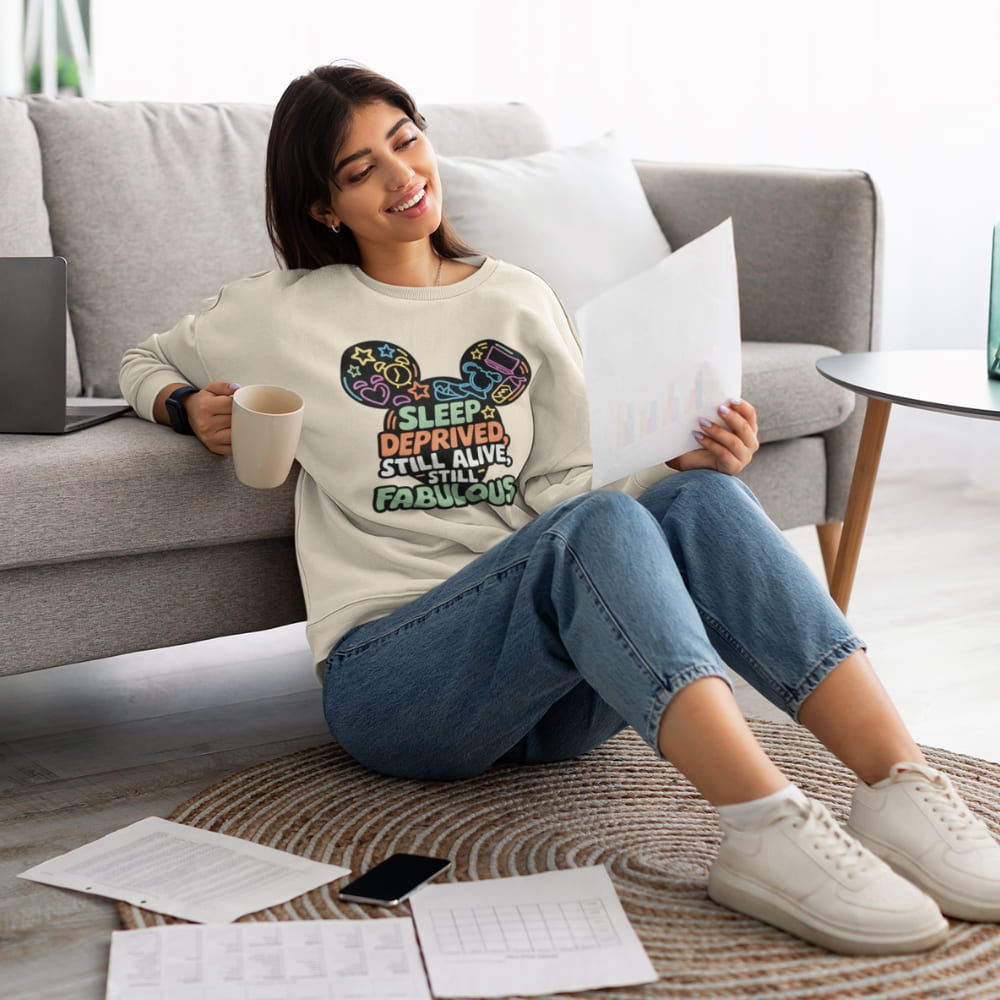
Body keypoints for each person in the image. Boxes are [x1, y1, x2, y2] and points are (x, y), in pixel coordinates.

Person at [119, 62, 1000, 955]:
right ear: (324, 208)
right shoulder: (281, 314)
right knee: (602, 528)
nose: (401, 175)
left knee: (698, 496)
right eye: (360, 170)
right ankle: (767, 830)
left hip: (559, 700)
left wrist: (679, 461)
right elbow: (144, 358)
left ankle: (901, 787)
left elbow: (572, 482)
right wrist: (184, 407)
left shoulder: (517, 298)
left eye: (407, 138)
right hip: (398, 681)